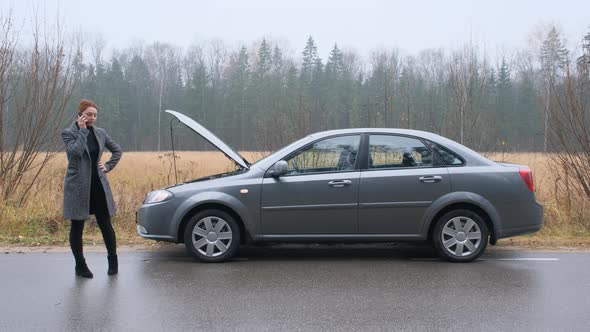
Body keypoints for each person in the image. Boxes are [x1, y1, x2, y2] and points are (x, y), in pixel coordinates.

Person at [62, 99, 122, 278]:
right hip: (78, 186)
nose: (92, 118)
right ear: (80, 114)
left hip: (98, 185)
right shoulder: (68, 133)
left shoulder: (100, 133)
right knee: (77, 225)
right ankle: (80, 265)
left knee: (105, 223)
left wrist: (108, 166)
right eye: (89, 114)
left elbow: (117, 150)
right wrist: (82, 132)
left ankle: (113, 261)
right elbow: (75, 154)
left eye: (95, 115)